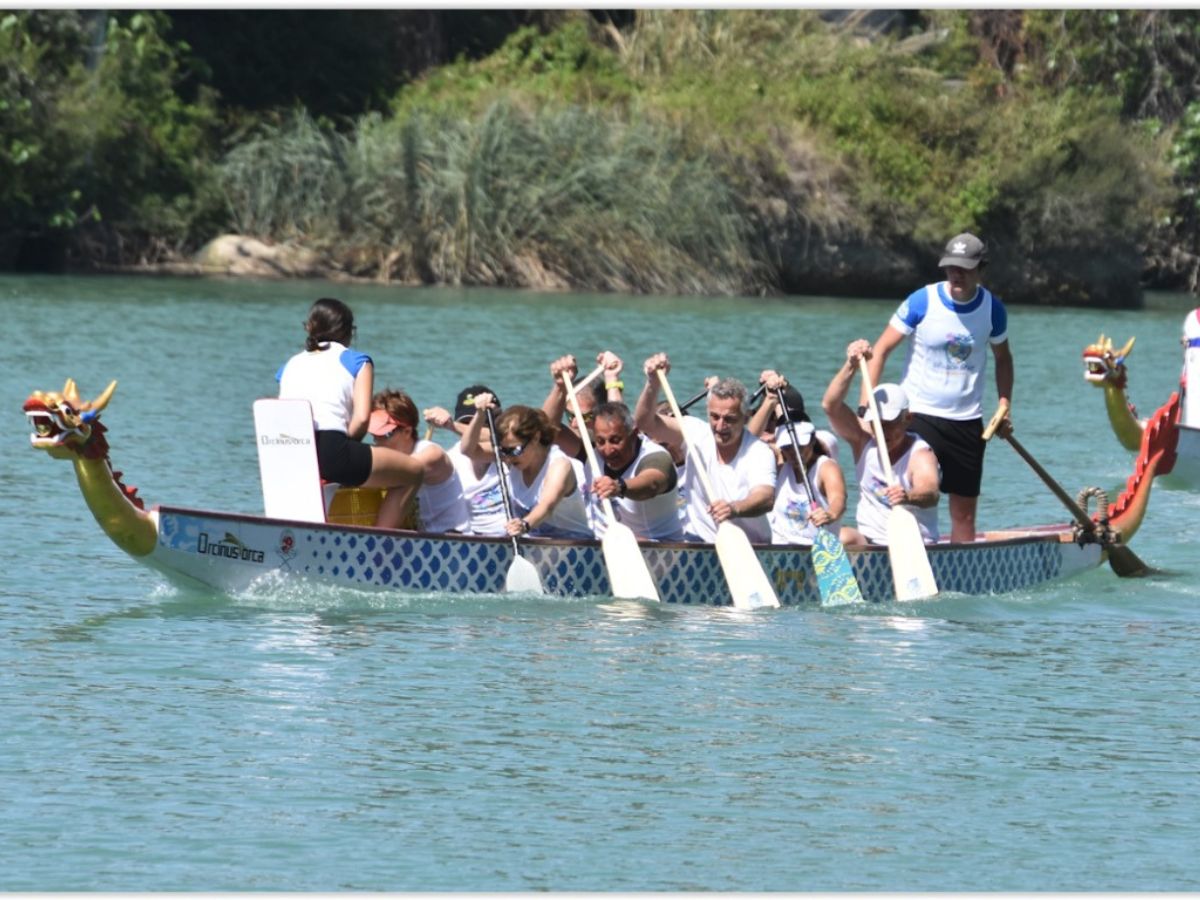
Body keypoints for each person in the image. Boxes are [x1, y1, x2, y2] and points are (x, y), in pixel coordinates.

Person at [863, 232, 1012, 542]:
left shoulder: (992, 310)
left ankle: (961, 579)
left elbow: (1003, 359)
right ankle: (895, 556)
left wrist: (1004, 405)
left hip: (967, 422)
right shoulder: (922, 301)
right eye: (951, 267)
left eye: (965, 268)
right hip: (919, 417)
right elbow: (880, 350)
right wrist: (866, 407)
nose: (956, 274)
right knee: (908, 499)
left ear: (980, 269)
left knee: (964, 515)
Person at [276, 297, 423, 493]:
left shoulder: (289, 365)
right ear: (348, 332)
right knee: (414, 472)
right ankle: (383, 525)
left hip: (286, 452)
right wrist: (347, 447)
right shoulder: (357, 361)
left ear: (310, 328)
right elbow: (362, 419)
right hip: (331, 452)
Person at [634, 353, 777, 544]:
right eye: (714, 416)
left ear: (745, 418)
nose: (720, 426)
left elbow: (765, 497)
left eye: (729, 419)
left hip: (750, 545)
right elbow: (645, 423)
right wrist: (653, 383)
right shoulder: (695, 432)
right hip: (699, 541)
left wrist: (734, 508)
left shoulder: (758, 451)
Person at [824, 339, 941, 546]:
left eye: (889, 423)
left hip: (913, 544)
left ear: (908, 419)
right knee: (839, 537)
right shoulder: (863, 444)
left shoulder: (921, 455)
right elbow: (831, 406)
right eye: (877, 423)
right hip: (870, 542)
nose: (882, 431)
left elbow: (930, 492)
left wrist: (908, 496)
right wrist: (850, 366)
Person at [465, 400, 592, 539]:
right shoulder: (512, 454)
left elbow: (546, 506)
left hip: (573, 545)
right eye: (504, 450)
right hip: (530, 540)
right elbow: (468, 450)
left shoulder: (559, 465)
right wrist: (479, 415)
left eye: (515, 450)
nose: (508, 458)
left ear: (535, 438)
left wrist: (524, 524)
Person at [369, 388, 470, 533]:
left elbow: (382, 473)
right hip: (423, 539)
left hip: (454, 540)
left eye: (385, 434)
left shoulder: (432, 454)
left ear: (407, 432)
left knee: (405, 478)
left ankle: (376, 539)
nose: (377, 441)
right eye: (374, 434)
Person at [586, 402, 683, 541]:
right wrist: (560, 389)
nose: (607, 450)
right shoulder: (590, 452)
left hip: (657, 548)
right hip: (603, 545)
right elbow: (549, 433)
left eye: (615, 440)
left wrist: (619, 487)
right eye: (601, 441)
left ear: (634, 434)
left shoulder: (657, 457)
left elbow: (651, 485)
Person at [423, 385, 509, 536]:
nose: (473, 429)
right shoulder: (451, 460)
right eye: (467, 423)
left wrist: (451, 425)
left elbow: (499, 436)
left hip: (511, 534)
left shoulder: (512, 453)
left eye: (482, 422)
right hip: (470, 539)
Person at [767, 420, 848, 546]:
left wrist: (830, 514)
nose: (795, 453)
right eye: (788, 447)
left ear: (812, 442)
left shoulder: (827, 468)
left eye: (800, 446)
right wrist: (770, 402)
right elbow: (747, 442)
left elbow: (839, 499)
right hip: (780, 547)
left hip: (817, 548)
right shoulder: (779, 465)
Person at [542, 351, 625, 460]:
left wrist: (611, 377)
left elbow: (617, 425)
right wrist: (560, 386)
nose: (574, 424)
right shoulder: (579, 447)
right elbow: (544, 429)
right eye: (570, 415)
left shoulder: (628, 442)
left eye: (584, 417)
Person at [749, 369, 840, 461]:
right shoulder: (758, 451)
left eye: (772, 417)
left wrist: (781, 391)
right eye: (758, 415)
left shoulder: (822, 439)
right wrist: (770, 399)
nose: (765, 426)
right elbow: (749, 439)